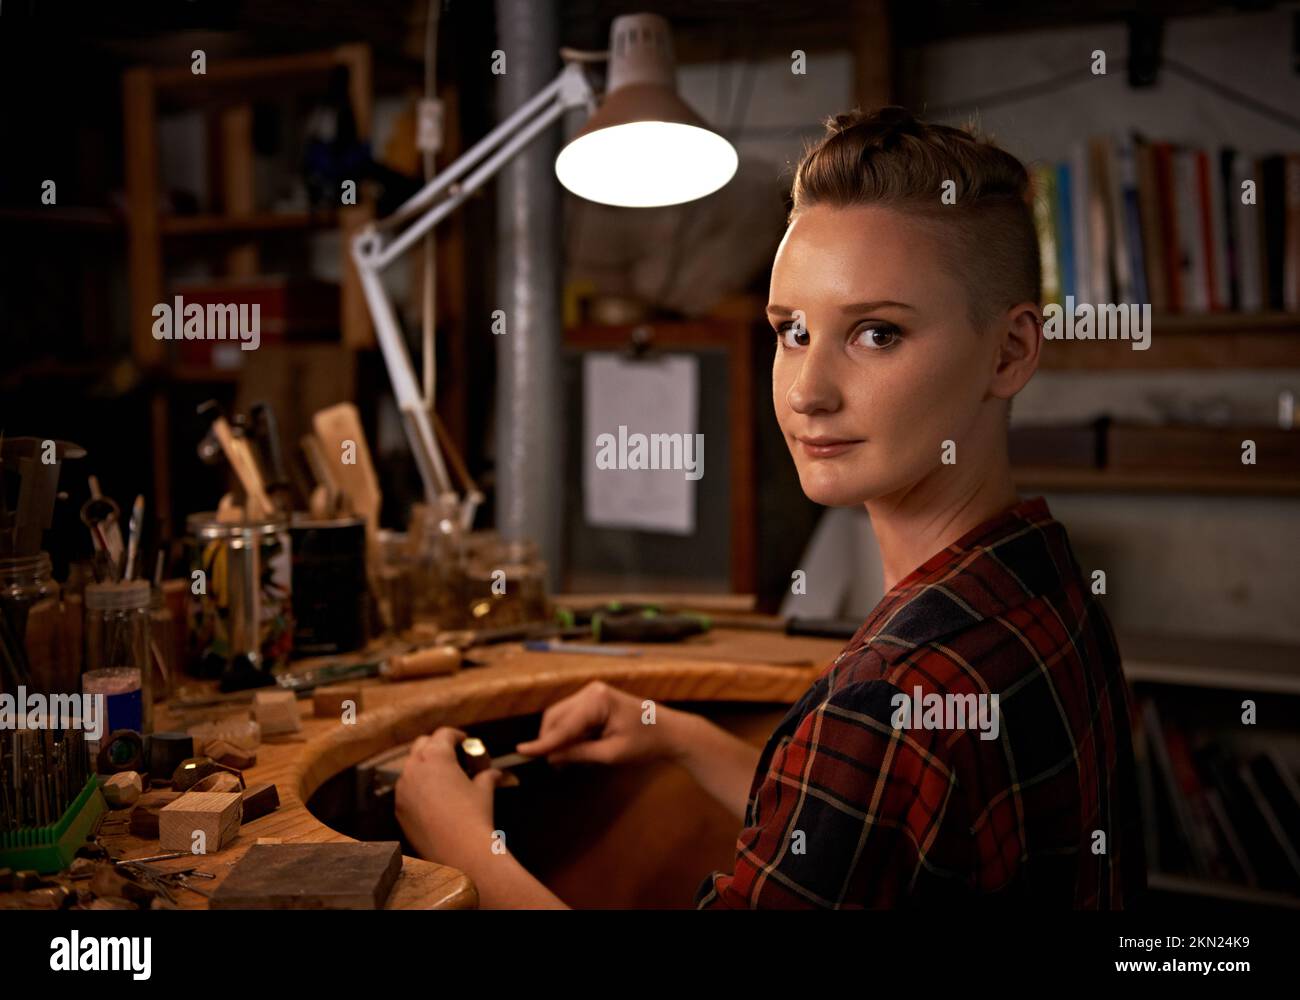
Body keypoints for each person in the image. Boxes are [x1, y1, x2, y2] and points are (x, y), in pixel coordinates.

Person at [395, 106, 1147, 909]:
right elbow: (863, 831)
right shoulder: (1046, 577)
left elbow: (872, 768)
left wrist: (464, 846)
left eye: (878, 334)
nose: (807, 392)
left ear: (1011, 350)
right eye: (792, 331)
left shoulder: (886, 701)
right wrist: (675, 733)